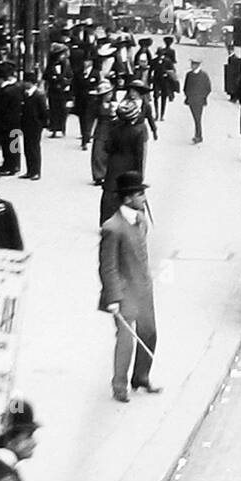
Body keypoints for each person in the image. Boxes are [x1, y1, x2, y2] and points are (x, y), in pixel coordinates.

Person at [98, 172, 160, 403]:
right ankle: (119, 386)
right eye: (139, 194)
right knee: (126, 339)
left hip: (143, 289)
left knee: (149, 334)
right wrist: (113, 298)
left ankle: (141, 378)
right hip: (123, 293)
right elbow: (108, 266)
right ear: (126, 199)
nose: (144, 198)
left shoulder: (141, 219)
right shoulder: (112, 227)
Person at [100, 97, 149, 225]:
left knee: (110, 193)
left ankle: (106, 220)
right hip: (130, 166)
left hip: (114, 165)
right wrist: (140, 175)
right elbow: (140, 155)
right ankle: (135, 221)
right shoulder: (138, 131)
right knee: (131, 194)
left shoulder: (114, 129)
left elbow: (107, 147)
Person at [0, 63, 24, 177]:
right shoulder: (16, 88)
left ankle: (10, 165)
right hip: (15, 122)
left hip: (6, 122)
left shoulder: (5, 91)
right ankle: (15, 165)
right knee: (14, 144)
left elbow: (0, 109)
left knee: (8, 145)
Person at [19, 76, 48, 180]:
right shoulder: (26, 94)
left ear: (30, 82)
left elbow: (43, 111)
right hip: (26, 124)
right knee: (27, 148)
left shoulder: (39, 95)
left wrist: (42, 124)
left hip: (35, 125)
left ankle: (36, 171)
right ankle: (29, 170)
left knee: (34, 148)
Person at [44, 43, 72, 138]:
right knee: (53, 110)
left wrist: (66, 83)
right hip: (53, 90)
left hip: (63, 91)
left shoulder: (67, 64)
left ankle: (62, 128)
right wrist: (53, 79)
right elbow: (46, 76)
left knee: (63, 110)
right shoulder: (51, 64)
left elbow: (70, 76)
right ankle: (54, 128)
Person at [90, 82, 116, 186]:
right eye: (107, 94)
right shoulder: (97, 106)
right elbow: (91, 118)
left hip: (112, 130)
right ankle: (98, 175)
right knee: (98, 153)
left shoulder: (114, 105)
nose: (109, 96)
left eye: (110, 93)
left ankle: (107, 174)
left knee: (109, 154)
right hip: (100, 130)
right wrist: (88, 133)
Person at [183, 58, 212, 144]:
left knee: (197, 118)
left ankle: (198, 136)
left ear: (197, 65)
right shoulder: (189, 75)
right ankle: (198, 135)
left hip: (199, 101)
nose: (192, 66)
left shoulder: (203, 75)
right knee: (196, 118)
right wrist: (188, 95)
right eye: (192, 64)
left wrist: (203, 97)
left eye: (194, 65)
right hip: (191, 100)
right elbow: (186, 87)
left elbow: (208, 88)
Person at [153, 37, 178, 121]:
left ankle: (160, 114)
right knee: (159, 95)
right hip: (159, 78)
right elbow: (174, 61)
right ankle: (158, 114)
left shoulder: (166, 58)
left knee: (164, 94)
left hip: (164, 75)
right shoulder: (171, 52)